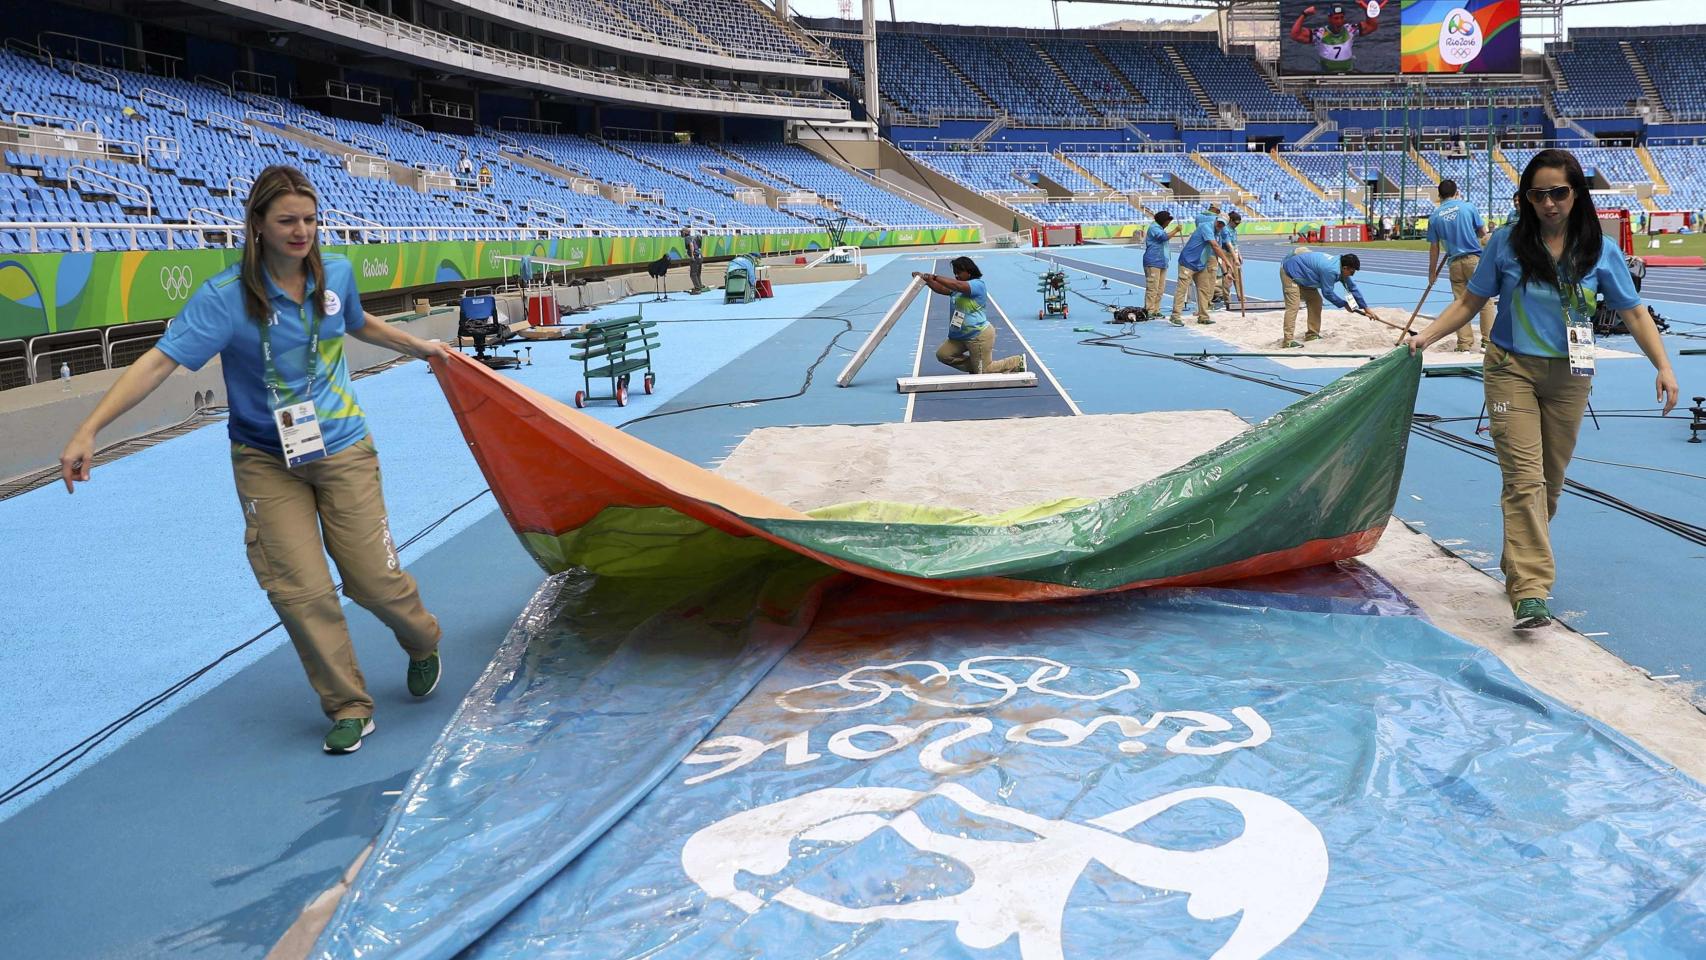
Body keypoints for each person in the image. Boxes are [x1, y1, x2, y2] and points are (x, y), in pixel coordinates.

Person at [59, 165, 452, 755]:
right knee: (299, 590)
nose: (302, 232)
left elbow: (355, 321)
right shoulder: (223, 300)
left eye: (310, 220)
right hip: (265, 459)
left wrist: (418, 344)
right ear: (258, 226)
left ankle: (421, 641)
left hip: (342, 447)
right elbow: (158, 363)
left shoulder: (335, 272)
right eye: (287, 221)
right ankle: (347, 703)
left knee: (373, 579)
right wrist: (89, 428)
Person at [1406, 149, 1678, 629]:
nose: (1549, 203)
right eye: (1539, 194)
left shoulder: (1599, 251)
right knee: (1524, 479)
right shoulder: (1508, 243)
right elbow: (1472, 301)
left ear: (1576, 194)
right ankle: (1531, 590)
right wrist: (1424, 337)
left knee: (1549, 484)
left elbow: (1634, 312)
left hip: (1571, 377)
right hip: (1512, 369)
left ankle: (1519, 559)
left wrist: (1663, 366)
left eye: (1559, 192)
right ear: (1526, 198)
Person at [915, 257, 1026, 375]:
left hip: (977, 336)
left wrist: (935, 277)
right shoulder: (956, 288)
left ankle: (1016, 362)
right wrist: (925, 280)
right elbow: (941, 288)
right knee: (943, 355)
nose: (956, 276)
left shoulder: (977, 285)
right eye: (955, 273)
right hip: (959, 337)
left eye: (959, 273)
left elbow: (958, 285)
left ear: (969, 271)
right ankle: (977, 366)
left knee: (985, 370)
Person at [1426, 179, 1493, 352]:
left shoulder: (1435, 216)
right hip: (1474, 259)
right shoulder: (1468, 207)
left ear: (1439, 196)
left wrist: (1431, 273)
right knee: (1485, 301)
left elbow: (1434, 247)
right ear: (1457, 192)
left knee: (1460, 303)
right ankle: (1488, 341)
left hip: (1454, 262)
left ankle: (1464, 344)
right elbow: (1482, 233)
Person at [1279, 248, 1379, 347]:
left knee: (1316, 302)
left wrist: (1366, 308)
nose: (1352, 275)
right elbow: (1327, 293)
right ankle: (1288, 341)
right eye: (1352, 272)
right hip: (1290, 273)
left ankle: (1312, 334)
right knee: (1293, 306)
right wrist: (1344, 304)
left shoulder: (1341, 266)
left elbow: (1352, 288)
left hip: (1306, 276)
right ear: (1345, 268)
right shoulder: (1330, 270)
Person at [1170, 204, 1229, 326]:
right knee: (1182, 289)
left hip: (1201, 264)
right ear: (1216, 220)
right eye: (1219, 222)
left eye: (1223, 224)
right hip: (1188, 261)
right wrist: (1228, 262)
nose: (1220, 225)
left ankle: (1203, 316)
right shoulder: (1205, 227)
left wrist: (1225, 271)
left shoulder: (1218, 233)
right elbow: (1215, 247)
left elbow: (1217, 252)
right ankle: (1175, 316)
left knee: (1204, 289)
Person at [1290, 1, 1380, 75]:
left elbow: (1372, 26)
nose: (1339, 21)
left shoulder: (1350, 30)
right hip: (1327, 75)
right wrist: (1304, 14)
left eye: (1341, 17)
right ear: (1329, 18)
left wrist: (1364, 6)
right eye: (1336, 18)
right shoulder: (1320, 34)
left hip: (1348, 73)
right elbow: (1295, 35)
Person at [1142, 211, 1180, 317]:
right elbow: (1163, 237)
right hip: (1153, 261)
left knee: (1160, 288)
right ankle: (1149, 310)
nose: (1168, 224)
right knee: (1152, 287)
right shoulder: (1154, 228)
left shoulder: (1161, 228)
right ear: (1163, 221)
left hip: (1162, 261)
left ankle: (1156, 310)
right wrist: (1176, 230)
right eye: (1168, 221)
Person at [1212, 211, 1244, 309]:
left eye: (1239, 223)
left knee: (1238, 277)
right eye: (1236, 223)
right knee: (1227, 279)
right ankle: (1227, 301)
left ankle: (1241, 299)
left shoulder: (1234, 230)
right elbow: (1229, 245)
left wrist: (1239, 255)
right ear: (1230, 220)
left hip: (1233, 253)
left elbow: (1234, 243)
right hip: (1226, 254)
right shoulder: (1225, 229)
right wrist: (1235, 258)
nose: (1237, 225)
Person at [682, 227, 705, 293]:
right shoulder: (693, 237)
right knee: (698, 273)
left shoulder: (687, 238)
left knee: (693, 274)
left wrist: (692, 255)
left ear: (685, 232)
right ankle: (700, 285)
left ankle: (697, 288)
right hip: (699, 256)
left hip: (695, 256)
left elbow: (691, 245)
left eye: (682, 231)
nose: (681, 233)